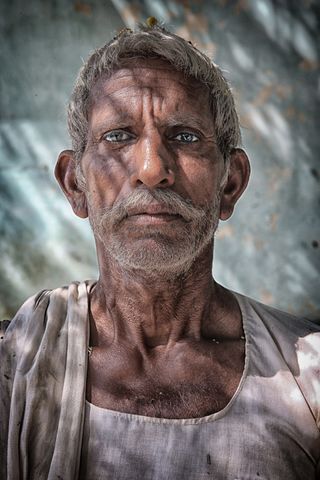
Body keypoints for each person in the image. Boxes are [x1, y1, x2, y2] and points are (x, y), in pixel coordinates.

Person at [1, 19, 319, 480]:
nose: (152, 169)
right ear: (75, 185)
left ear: (230, 183)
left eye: (185, 136)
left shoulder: (305, 378)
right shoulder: (17, 368)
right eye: (119, 136)